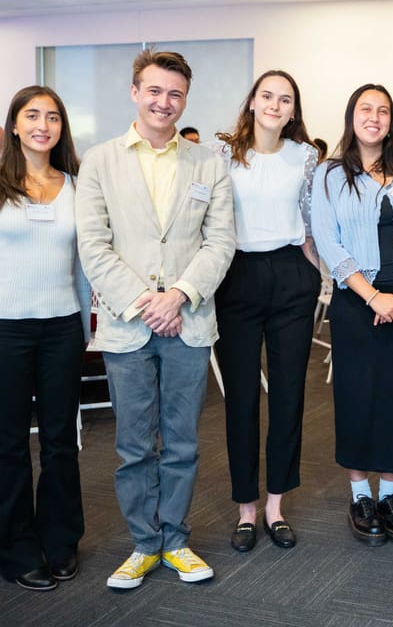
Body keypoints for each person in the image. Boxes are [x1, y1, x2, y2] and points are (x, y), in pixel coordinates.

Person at [76, 49, 235, 589]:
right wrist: (147, 301)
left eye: (175, 94)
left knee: (183, 440)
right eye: (154, 91)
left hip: (188, 322)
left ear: (185, 99)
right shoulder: (100, 161)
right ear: (134, 92)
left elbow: (220, 241)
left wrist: (181, 295)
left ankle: (176, 540)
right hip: (127, 325)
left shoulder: (207, 163)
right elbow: (93, 245)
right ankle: (143, 544)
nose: (164, 102)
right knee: (134, 444)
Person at [311, 84, 393, 546]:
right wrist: (372, 297)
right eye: (366, 109)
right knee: (357, 399)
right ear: (351, 117)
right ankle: (360, 495)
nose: (375, 116)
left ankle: (390, 495)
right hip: (356, 302)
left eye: (383, 110)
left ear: (392, 119)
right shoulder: (329, 175)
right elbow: (328, 241)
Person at [212, 70, 321, 553]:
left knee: (289, 395)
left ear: (294, 111)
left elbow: (315, 222)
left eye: (286, 99)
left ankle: (276, 507)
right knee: (240, 399)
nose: (276, 105)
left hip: (291, 275)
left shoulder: (307, 157)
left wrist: (322, 278)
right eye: (267, 96)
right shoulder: (223, 155)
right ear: (252, 101)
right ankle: (245, 510)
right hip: (235, 275)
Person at [0, 86, 90, 591]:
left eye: (53, 117)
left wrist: (83, 328)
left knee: (60, 442)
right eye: (32, 116)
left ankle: (59, 540)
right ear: (14, 125)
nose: (43, 125)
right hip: (5, 326)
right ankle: (14, 547)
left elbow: (83, 267)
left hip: (61, 325)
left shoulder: (77, 186)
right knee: (9, 443)